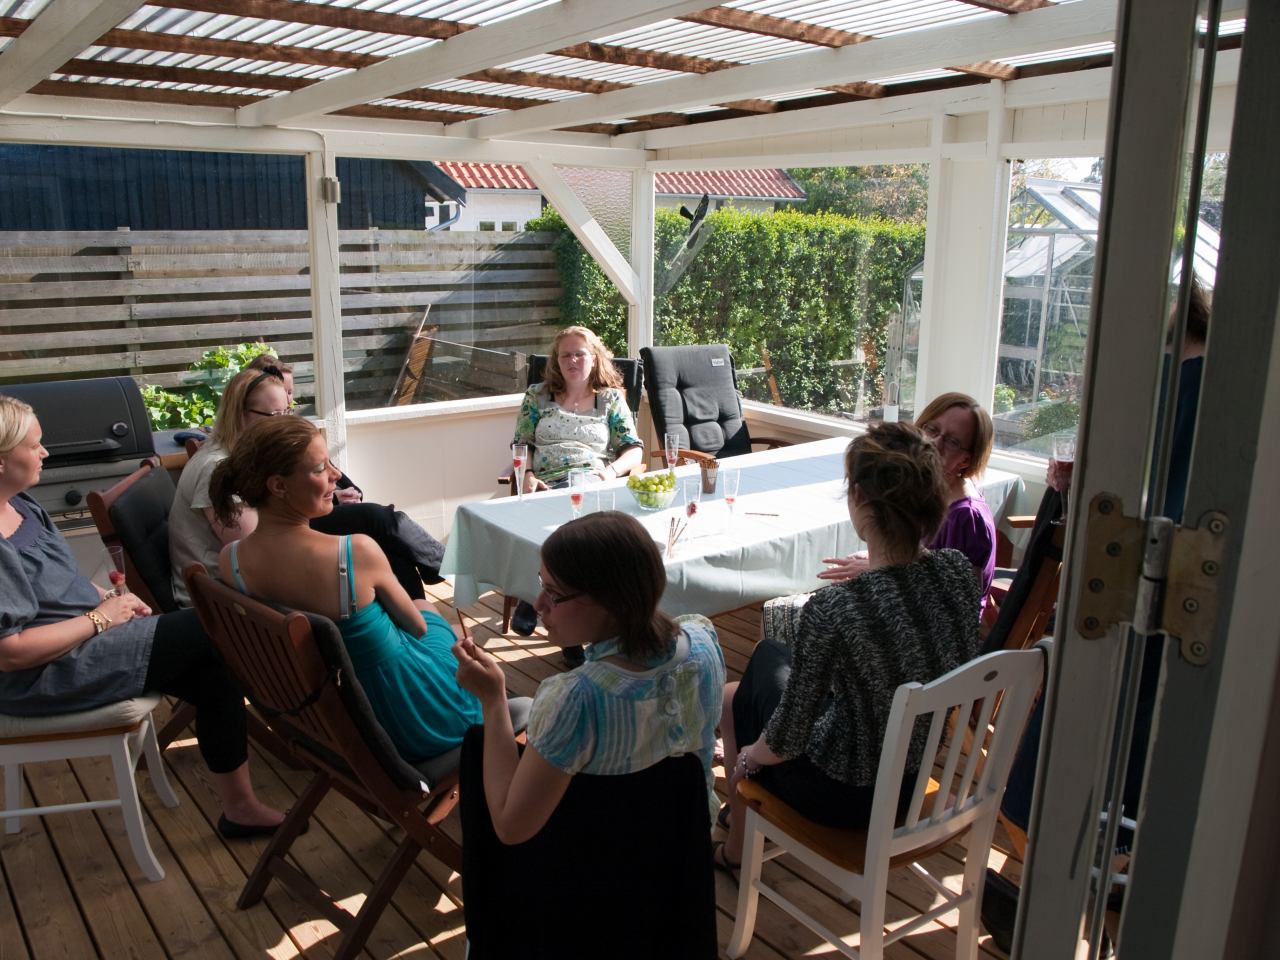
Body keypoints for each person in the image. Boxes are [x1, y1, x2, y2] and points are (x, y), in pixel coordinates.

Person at [0, 395, 283, 839]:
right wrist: (102, 619)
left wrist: (114, 598)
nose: (46, 453)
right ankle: (309, 727)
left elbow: (63, 583)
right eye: (34, 446)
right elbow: (11, 654)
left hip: (85, 638)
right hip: (44, 673)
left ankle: (240, 808)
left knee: (216, 668)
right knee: (216, 627)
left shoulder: (21, 505)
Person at [715, 422, 983, 872]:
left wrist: (747, 757)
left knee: (763, 662)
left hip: (841, 797)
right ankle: (740, 831)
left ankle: (737, 847)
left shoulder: (838, 607)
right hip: (912, 778)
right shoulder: (956, 571)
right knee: (759, 673)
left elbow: (785, 739)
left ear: (858, 496)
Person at [208, 415, 480, 765]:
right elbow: (417, 628)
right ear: (278, 486)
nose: (335, 475)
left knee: (435, 621)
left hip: (332, 718)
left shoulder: (231, 561)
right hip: (414, 718)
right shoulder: (354, 552)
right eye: (320, 468)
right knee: (434, 617)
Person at [243, 353, 446, 595]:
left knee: (390, 548)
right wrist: (335, 498)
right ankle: (445, 567)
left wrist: (343, 493)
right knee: (375, 517)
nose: (289, 404)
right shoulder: (252, 452)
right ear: (245, 409)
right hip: (296, 525)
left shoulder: (286, 435)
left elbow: (347, 482)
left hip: (310, 513)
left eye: (290, 396)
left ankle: (427, 589)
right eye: (279, 407)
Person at [506, 326, 645, 646]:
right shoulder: (537, 396)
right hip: (546, 484)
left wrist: (611, 472)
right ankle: (567, 626)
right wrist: (527, 474)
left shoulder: (610, 399)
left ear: (594, 358)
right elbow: (521, 444)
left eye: (579, 354)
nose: (572, 360)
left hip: (591, 483)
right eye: (565, 355)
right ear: (556, 361)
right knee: (567, 528)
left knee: (578, 531)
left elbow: (634, 449)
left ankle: (535, 597)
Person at [820, 392, 997, 617]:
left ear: (966, 460)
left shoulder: (965, 518)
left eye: (952, 442)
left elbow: (955, 602)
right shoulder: (925, 490)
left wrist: (878, 569)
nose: (935, 442)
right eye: (932, 429)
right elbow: (922, 560)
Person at [168, 365, 286, 606]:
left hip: (241, 587)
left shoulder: (240, 454)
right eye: (275, 415)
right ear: (241, 414)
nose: (284, 424)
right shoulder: (217, 468)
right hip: (219, 604)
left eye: (287, 412)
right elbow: (256, 550)